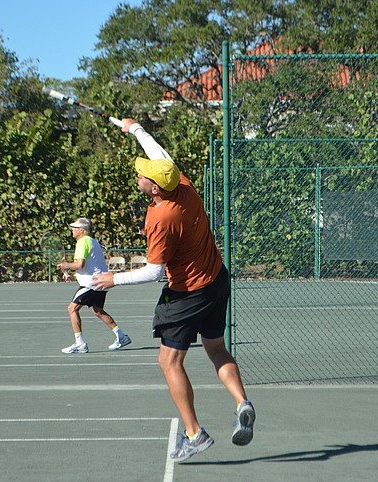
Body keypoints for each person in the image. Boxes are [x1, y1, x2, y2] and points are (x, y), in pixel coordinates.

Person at [93, 119, 255, 462]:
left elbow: (154, 271)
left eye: (143, 175)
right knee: (216, 348)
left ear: (154, 188)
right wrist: (135, 129)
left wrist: (114, 280)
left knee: (168, 360)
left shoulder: (161, 219)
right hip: (217, 280)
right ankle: (243, 402)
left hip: (187, 293)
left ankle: (194, 433)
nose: (139, 175)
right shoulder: (183, 186)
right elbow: (159, 154)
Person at [59, 217, 131, 354]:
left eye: (75, 228)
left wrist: (66, 265)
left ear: (82, 230)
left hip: (91, 283)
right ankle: (121, 336)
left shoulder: (82, 242)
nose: (72, 230)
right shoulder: (93, 242)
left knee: (72, 309)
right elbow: (88, 266)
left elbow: (80, 265)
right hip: (101, 282)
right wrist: (68, 271)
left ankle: (79, 343)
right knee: (97, 310)